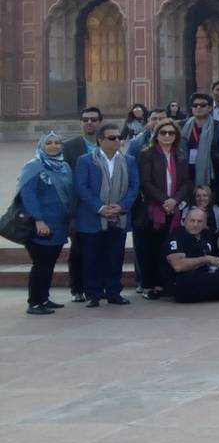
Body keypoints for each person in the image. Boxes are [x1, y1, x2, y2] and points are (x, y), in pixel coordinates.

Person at [74, 124, 139, 307]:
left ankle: (113, 292)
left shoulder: (129, 161)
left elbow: (134, 187)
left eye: (119, 137)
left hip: (118, 217)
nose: (117, 141)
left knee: (114, 257)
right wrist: (100, 207)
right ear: (100, 140)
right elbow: (81, 187)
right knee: (92, 257)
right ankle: (93, 294)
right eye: (112, 138)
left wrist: (122, 206)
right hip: (92, 218)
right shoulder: (85, 160)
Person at [17, 131, 74, 315]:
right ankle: (34, 302)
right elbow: (28, 195)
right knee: (41, 264)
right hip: (40, 225)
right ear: (41, 146)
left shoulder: (63, 166)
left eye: (57, 142)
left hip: (59, 224)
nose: (53, 146)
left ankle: (43, 298)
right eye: (48, 143)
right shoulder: (34, 166)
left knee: (49, 264)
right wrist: (39, 220)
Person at [136, 119, 192, 300]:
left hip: (173, 209)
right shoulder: (147, 154)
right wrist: (164, 201)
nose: (167, 136)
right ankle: (148, 285)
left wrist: (174, 201)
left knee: (167, 248)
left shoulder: (180, 155)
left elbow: (186, 182)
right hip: (154, 209)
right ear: (156, 135)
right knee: (150, 248)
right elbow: (145, 182)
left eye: (171, 133)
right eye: (163, 133)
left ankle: (163, 284)